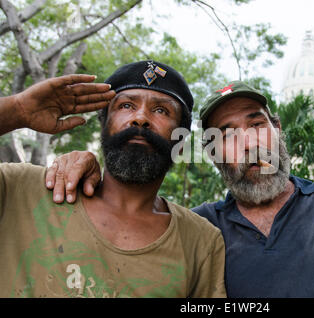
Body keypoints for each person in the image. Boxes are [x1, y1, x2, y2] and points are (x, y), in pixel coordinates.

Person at [46, 25, 314, 297]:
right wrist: (88, 169)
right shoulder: (195, 232)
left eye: (256, 124)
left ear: (279, 130)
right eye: (228, 134)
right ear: (211, 151)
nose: (249, 143)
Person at [0, 64, 226, 298]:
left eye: (161, 110)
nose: (140, 118)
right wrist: (17, 110)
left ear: (180, 141)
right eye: (126, 105)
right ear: (104, 122)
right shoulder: (21, 188)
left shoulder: (201, 243)